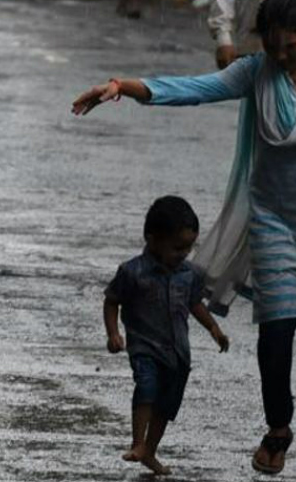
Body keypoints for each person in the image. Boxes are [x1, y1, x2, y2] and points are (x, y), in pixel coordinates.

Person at [74, 0, 296, 482]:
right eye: (271, 47)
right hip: (274, 219)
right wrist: (124, 87)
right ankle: (279, 426)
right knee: (277, 332)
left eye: (290, 47)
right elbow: (193, 89)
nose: (280, 57)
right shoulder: (255, 73)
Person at [104, 195, 230, 476]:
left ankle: (150, 450)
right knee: (147, 387)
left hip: (177, 353)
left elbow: (194, 303)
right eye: (177, 247)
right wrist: (113, 333)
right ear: (152, 239)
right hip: (145, 347)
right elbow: (112, 300)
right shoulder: (132, 272)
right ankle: (137, 443)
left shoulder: (190, 273)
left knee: (165, 405)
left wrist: (214, 329)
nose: (184, 253)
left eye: (189, 246)